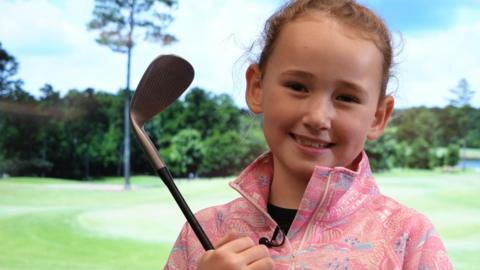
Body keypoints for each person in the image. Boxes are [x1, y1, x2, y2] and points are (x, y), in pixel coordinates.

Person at [165, 0, 452, 269]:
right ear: (257, 88)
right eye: (298, 86)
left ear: (378, 116)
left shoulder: (410, 238)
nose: (317, 117)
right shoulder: (202, 233)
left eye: (347, 98)